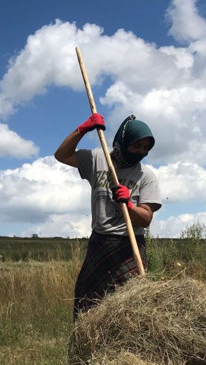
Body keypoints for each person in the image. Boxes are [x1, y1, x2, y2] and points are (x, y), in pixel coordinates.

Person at [54, 113, 161, 321]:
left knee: (129, 307)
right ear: (123, 142)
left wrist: (129, 206)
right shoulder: (98, 159)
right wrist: (83, 129)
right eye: (136, 146)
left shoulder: (146, 176)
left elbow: (146, 218)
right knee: (87, 301)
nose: (141, 152)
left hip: (129, 246)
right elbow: (62, 155)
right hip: (100, 242)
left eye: (145, 149)